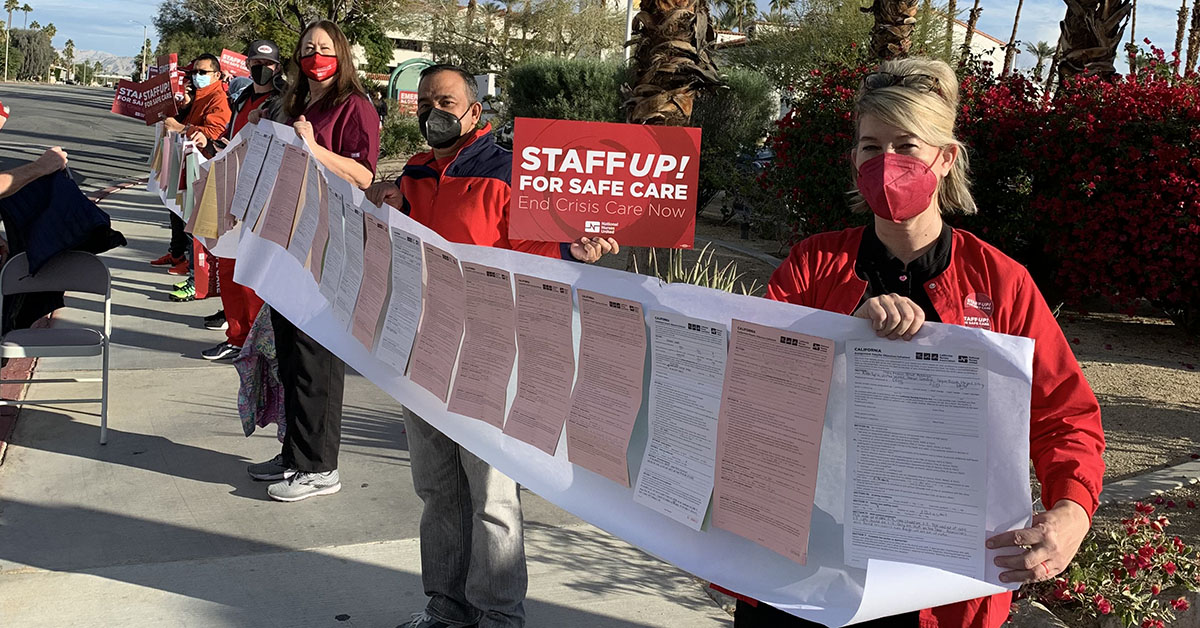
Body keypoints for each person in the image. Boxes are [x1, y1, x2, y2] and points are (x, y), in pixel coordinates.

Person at [730, 57, 1105, 628]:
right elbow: (749, 387)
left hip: (936, 587)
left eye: (906, 145)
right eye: (870, 146)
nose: (886, 165)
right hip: (802, 569)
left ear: (946, 157)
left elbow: (1063, 413)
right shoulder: (813, 265)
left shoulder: (1001, 281)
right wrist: (842, 334)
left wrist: (1072, 511)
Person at [366, 64, 618, 628]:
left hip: (491, 352)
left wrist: (576, 252)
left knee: (492, 497)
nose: (436, 110)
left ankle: (499, 616)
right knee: (437, 489)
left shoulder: (511, 175)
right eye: (427, 100)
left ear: (476, 111)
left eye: (448, 101)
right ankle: (447, 608)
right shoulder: (413, 173)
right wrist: (391, 203)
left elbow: (536, 259)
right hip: (422, 348)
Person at [244, 20, 380, 502]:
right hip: (285, 239)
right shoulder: (294, 104)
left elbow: (364, 175)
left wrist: (315, 148)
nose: (315, 55)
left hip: (326, 244)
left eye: (324, 48)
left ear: (340, 55)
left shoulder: (354, 106)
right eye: (307, 48)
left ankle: (320, 467)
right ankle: (295, 455)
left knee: (315, 355)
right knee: (290, 352)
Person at [200, 39, 287, 360]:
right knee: (227, 266)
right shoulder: (241, 99)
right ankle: (236, 337)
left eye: (267, 64)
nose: (261, 69)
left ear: (277, 67)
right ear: (247, 66)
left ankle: (257, 343)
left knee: (251, 274)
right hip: (232, 189)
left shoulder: (282, 104)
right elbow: (233, 140)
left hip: (261, 198)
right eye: (254, 64)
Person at [150, 54, 232, 287]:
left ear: (217, 75)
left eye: (202, 72)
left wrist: (181, 127)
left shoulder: (218, 99)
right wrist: (184, 106)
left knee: (194, 222)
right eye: (194, 72)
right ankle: (180, 257)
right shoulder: (198, 96)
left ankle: (198, 278)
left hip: (202, 168)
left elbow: (213, 133)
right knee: (178, 212)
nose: (197, 77)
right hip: (185, 164)